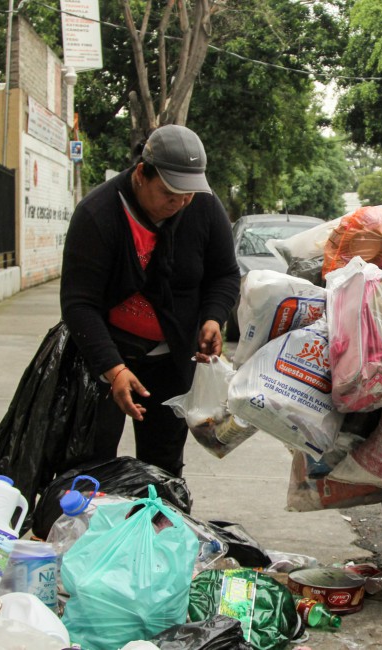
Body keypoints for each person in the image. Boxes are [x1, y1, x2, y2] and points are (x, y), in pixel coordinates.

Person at [60, 124, 240, 477]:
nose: (180, 203)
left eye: (188, 194)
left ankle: (157, 528)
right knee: (90, 464)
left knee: (163, 466)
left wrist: (213, 318)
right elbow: (78, 304)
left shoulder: (203, 205)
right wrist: (114, 371)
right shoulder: (98, 215)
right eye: (169, 194)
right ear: (142, 174)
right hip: (103, 359)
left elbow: (225, 274)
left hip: (171, 361)